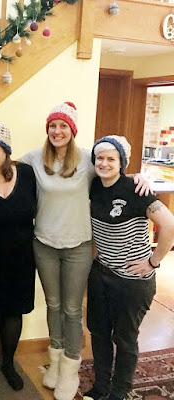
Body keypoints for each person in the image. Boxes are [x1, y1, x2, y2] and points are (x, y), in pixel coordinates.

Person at [21, 102, 150, 400]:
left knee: (71, 309)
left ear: (73, 130)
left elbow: (113, 169)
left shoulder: (88, 160)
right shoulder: (34, 158)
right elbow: (6, 169)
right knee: (53, 305)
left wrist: (138, 177)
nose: (57, 131)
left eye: (63, 126)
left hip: (78, 246)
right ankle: (55, 363)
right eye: (53, 126)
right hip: (44, 243)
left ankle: (70, 369)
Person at [84, 136, 174, 400]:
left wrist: (153, 261)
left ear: (122, 162)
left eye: (111, 159)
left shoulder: (136, 190)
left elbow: (169, 224)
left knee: (124, 339)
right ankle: (101, 386)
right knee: (99, 333)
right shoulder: (94, 186)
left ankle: (120, 391)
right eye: (100, 158)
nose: (104, 163)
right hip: (101, 274)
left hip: (132, 282)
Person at [0, 122, 37, 392]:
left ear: (6, 151)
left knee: (14, 313)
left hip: (21, 259)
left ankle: (8, 364)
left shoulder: (27, 173)